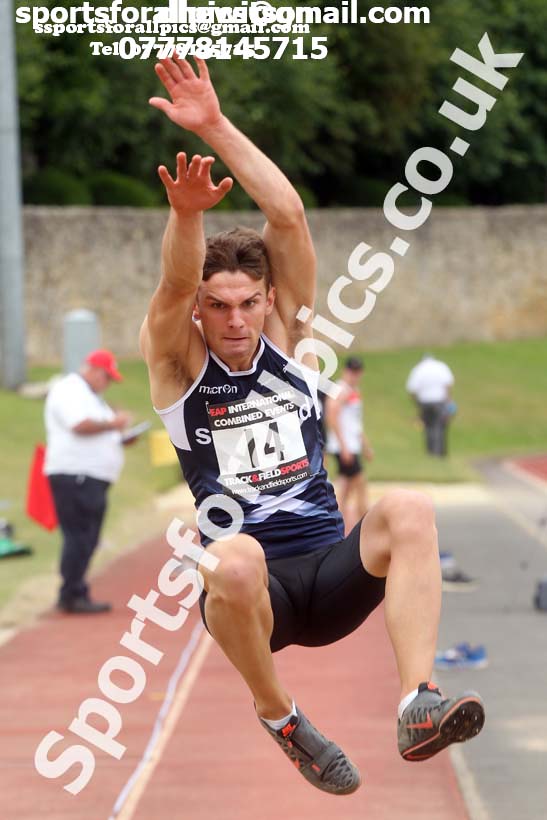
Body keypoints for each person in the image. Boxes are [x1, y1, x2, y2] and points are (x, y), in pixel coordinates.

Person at [141, 56, 484, 795]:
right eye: (217, 307)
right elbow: (173, 281)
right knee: (230, 557)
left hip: (328, 574)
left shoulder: (294, 341)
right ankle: (281, 717)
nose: (235, 321)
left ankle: (417, 703)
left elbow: (288, 217)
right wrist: (187, 214)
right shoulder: (177, 365)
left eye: (248, 303)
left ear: (270, 300)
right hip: (252, 600)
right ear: (199, 311)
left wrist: (215, 126)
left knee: (409, 507)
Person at [44, 349, 131, 614]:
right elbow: (79, 425)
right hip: (76, 475)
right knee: (80, 536)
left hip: (87, 476)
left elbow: (96, 429)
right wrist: (114, 424)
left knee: (87, 537)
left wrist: (119, 436)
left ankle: (73, 590)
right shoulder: (70, 389)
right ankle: (71, 593)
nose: (107, 383)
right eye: (106, 377)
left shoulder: (90, 396)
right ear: (93, 370)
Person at [325, 356, 373, 530]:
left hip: (352, 444)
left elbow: (355, 422)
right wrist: (343, 445)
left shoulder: (354, 391)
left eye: (357, 372)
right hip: (345, 447)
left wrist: (365, 445)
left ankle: (337, 524)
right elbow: (332, 416)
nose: (354, 375)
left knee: (345, 487)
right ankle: (366, 525)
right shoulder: (341, 390)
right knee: (360, 484)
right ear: (346, 371)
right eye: (352, 371)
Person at [406, 354, 455, 456]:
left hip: (424, 402)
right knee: (440, 426)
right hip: (440, 401)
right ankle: (440, 452)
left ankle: (431, 452)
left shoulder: (418, 369)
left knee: (428, 427)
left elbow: (412, 389)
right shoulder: (441, 366)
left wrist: (417, 404)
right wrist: (448, 400)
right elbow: (448, 384)